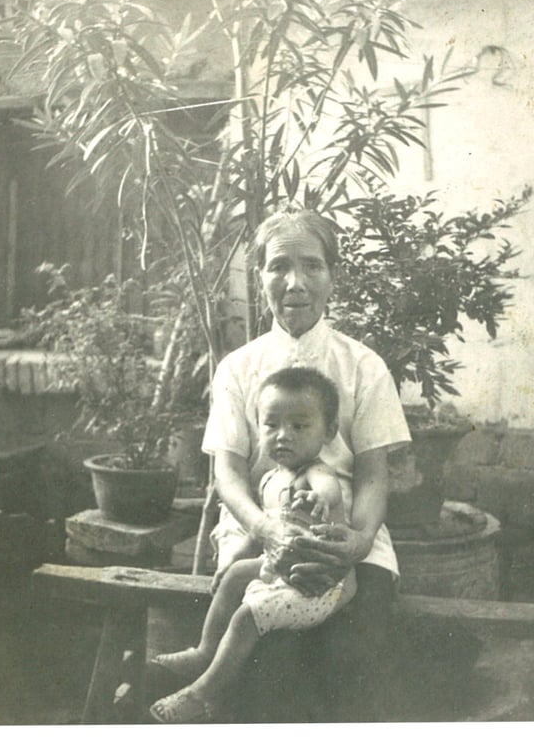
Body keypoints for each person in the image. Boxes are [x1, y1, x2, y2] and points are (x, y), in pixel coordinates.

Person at [164, 208, 411, 722]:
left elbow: (371, 473)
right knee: (266, 664)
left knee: (351, 652)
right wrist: (265, 527)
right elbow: (227, 474)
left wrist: (360, 539)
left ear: (331, 276)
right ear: (259, 279)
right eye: (278, 266)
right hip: (261, 531)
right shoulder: (238, 369)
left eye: (312, 266)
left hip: (346, 536)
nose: (295, 283)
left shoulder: (363, 366)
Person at [149, 367, 356, 723]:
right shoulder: (271, 479)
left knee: (247, 617)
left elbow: (328, 488)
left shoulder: (315, 474)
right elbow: (258, 533)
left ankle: (203, 693)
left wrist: (316, 499)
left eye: (299, 426)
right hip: (280, 573)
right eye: (271, 424)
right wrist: (234, 560)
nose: (282, 436)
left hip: (321, 586)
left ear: (329, 431)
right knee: (234, 577)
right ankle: (204, 651)